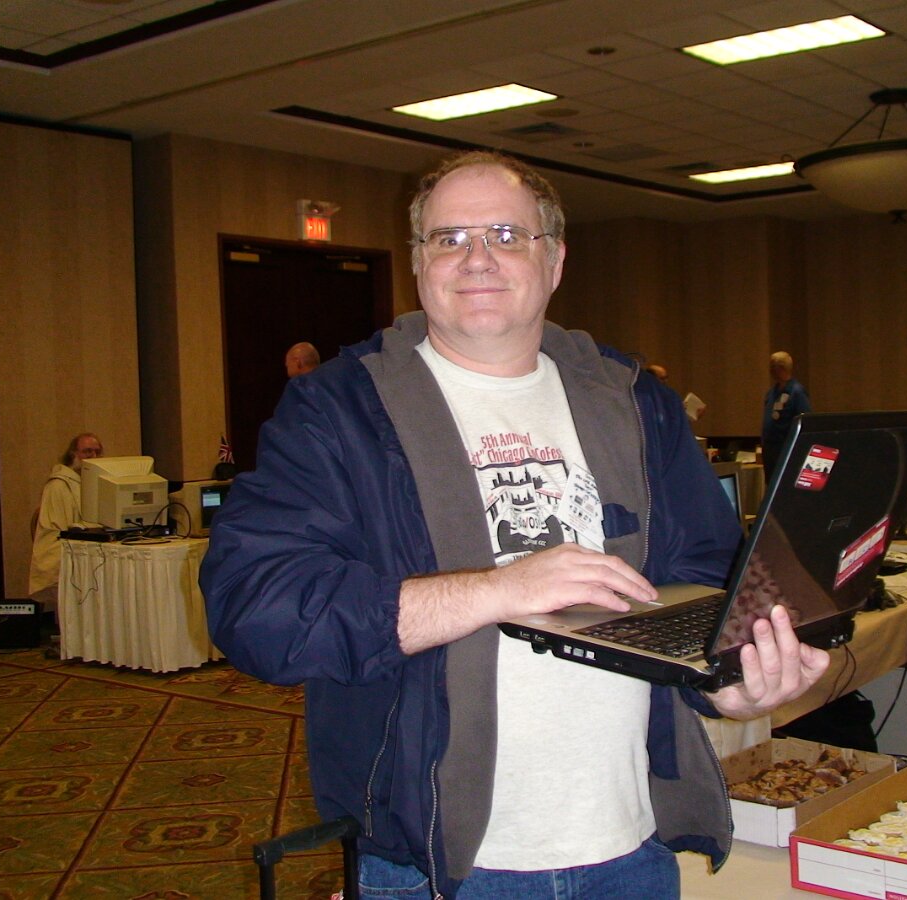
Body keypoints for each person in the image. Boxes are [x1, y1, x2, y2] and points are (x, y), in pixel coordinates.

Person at [201, 151, 828, 899]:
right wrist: (497, 590)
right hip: (433, 865)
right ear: (419, 261)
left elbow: (705, 577)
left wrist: (730, 681)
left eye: (506, 235)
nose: (477, 258)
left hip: (629, 849)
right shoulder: (339, 411)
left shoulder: (633, 401)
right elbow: (256, 608)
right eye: (449, 238)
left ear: (554, 260)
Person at [28, 432, 103, 617]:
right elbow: (58, 530)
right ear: (73, 454)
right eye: (87, 451)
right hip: (60, 548)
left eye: (97, 452)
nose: (93, 457)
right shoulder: (58, 485)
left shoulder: (95, 482)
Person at [761, 350, 811, 476]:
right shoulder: (772, 393)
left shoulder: (797, 392)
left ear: (781, 368)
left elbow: (805, 422)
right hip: (770, 451)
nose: (770, 370)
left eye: (773, 366)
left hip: (786, 450)